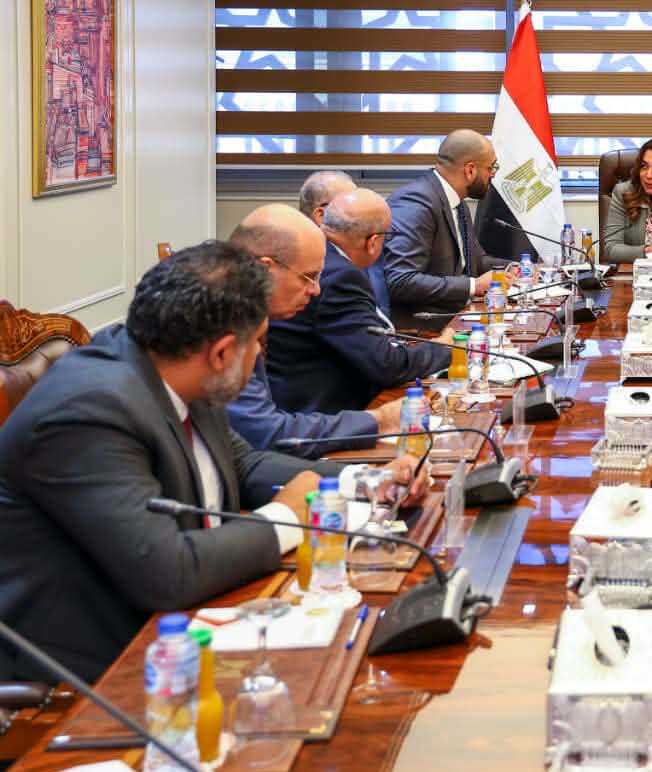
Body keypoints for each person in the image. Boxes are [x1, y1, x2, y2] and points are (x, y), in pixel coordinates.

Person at [0, 242, 429, 682]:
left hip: (190, 625)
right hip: (96, 674)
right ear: (222, 353)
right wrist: (287, 516)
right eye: (258, 342)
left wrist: (365, 480)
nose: (260, 355)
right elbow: (166, 573)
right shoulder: (88, 411)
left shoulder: (176, 364)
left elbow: (243, 465)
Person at [226, 204, 405, 458]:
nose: (316, 290)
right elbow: (268, 435)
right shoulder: (222, 324)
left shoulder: (246, 311)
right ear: (265, 269)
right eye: (308, 277)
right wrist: (378, 420)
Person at [267, 188, 453, 415]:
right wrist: (443, 349)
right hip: (323, 412)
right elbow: (385, 365)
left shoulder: (323, 257)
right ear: (373, 242)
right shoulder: (338, 275)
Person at [384, 130, 512, 328]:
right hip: (424, 328)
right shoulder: (417, 204)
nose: (493, 174)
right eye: (491, 167)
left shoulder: (457, 202)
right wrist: (474, 285)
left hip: (458, 316)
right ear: (470, 170)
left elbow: (476, 260)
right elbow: (401, 280)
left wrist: (514, 268)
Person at [297, 169, 390, 314]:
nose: (358, 203)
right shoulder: (331, 271)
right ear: (321, 215)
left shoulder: (362, 248)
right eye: (345, 201)